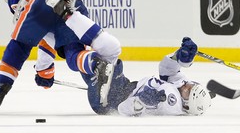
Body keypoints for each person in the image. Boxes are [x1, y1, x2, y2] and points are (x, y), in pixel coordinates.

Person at [82, 37, 215, 116]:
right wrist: (181, 57)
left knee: (101, 61)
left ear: (186, 105)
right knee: (104, 58)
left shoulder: (170, 102)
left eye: (189, 91)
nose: (187, 85)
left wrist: (141, 102)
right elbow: (167, 69)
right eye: (192, 86)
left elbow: (123, 109)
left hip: (107, 102)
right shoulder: (181, 88)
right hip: (123, 87)